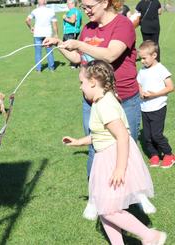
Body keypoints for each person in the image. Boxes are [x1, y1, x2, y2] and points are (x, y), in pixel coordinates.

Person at [62, 60, 166, 245]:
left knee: (110, 209)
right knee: (104, 208)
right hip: (105, 157)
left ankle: (151, 236)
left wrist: (119, 168)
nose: (81, 88)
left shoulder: (105, 105)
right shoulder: (101, 101)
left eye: (82, 83)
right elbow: (100, 134)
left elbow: (122, 137)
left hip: (113, 158)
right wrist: (79, 141)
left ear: (93, 81)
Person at [43, 0, 140, 177]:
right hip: (93, 102)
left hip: (123, 100)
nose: (86, 11)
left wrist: (80, 44)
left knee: (126, 149)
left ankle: (131, 198)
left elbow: (110, 54)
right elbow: (77, 58)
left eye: (89, 6)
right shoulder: (88, 29)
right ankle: (96, 199)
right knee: (96, 148)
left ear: (104, 2)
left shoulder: (123, 24)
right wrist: (58, 43)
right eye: (83, 7)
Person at [137, 40, 175, 168]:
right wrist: (140, 91)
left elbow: (170, 87)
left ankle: (169, 154)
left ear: (154, 55)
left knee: (156, 134)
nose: (142, 61)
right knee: (147, 136)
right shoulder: (142, 70)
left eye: (144, 58)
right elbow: (139, 83)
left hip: (158, 107)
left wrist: (154, 95)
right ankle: (154, 155)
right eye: (140, 58)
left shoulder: (160, 69)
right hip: (145, 108)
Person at [25, 0, 58, 72]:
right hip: (48, 34)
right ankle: (51, 69)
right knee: (49, 52)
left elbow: (27, 20)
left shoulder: (35, 11)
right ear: (45, 2)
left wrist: (31, 27)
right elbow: (54, 24)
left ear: (38, 3)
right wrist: (56, 34)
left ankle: (38, 69)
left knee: (38, 53)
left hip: (37, 34)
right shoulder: (51, 11)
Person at [62, 0, 82, 68]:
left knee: (70, 48)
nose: (67, 5)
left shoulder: (73, 11)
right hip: (75, 31)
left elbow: (72, 21)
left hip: (70, 32)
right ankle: (77, 63)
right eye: (67, 4)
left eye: (69, 4)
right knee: (73, 47)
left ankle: (74, 63)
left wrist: (65, 18)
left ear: (73, 3)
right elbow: (80, 22)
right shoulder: (78, 11)